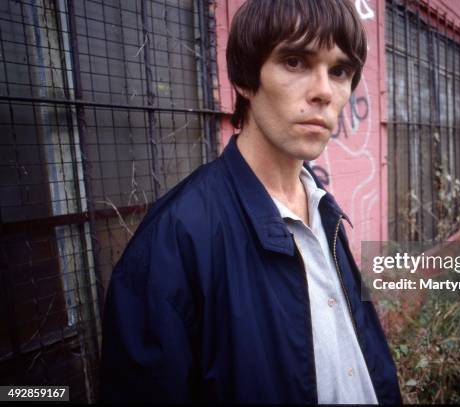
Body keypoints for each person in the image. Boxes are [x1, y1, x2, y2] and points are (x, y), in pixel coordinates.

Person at [100, 0, 402, 403]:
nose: (324, 92)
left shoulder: (321, 207)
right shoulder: (175, 239)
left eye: (340, 71)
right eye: (295, 61)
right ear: (245, 78)